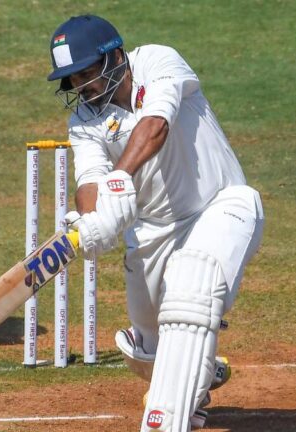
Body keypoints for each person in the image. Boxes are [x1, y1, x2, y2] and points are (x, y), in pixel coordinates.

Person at [47, 15, 265, 431]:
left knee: (192, 287)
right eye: (72, 80)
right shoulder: (84, 122)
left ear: (114, 57)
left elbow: (156, 125)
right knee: (149, 350)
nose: (81, 87)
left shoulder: (158, 61)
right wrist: (92, 221)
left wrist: (119, 178)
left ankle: (170, 418)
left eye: (87, 73)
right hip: (151, 233)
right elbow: (88, 183)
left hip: (221, 206)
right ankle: (200, 370)